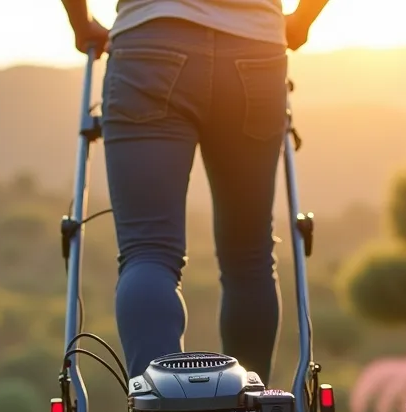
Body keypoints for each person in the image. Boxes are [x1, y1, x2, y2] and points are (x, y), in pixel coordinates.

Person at [59, 0, 331, 381]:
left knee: (148, 252)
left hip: (149, 43)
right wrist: (302, 20)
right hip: (255, 51)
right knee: (249, 257)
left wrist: (81, 23)